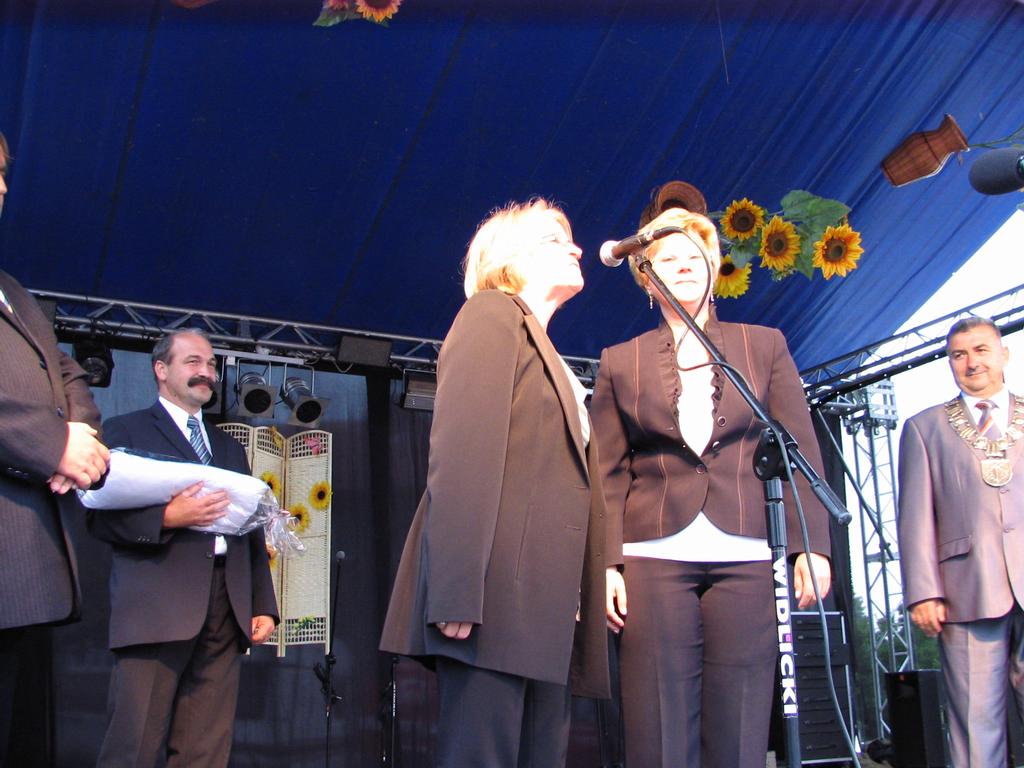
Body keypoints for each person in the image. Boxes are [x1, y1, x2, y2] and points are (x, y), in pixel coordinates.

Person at [591, 203, 833, 768]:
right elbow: (606, 470)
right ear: (645, 278)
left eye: (694, 256)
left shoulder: (763, 345)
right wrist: (604, 564)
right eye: (666, 258)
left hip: (747, 548)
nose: (682, 265)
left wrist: (811, 546)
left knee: (741, 716)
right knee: (655, 719)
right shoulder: (619, 361)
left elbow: (798, 449)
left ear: (713, 269)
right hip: (652, 551)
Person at [380, 199, 610, 767]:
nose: (576, 247)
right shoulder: (491, 314)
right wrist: (456, 588)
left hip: (547, 608)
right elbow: (462, 454)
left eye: (571, 237)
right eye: (554, 238)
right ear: (508, 257)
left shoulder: (550, 354)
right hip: (495, 600)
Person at [87, 329, 278, 768]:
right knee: (133, 744)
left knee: (205, 749)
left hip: (226, 607)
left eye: (210, 365)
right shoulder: (125, 429)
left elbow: (250, 530)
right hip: (156, 606)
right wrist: (167, 518)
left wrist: (263, 604)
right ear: (161, 369)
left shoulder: (229, 446)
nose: (206, 372)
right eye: (193, 362)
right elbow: (97, 516)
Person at [0, 130, 110, 762]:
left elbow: (67, 371)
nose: (2, 187)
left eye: (3, 173)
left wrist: (79, 436)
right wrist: (51, 446)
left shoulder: (13, 290)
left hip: (26, 567)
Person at [898, 316, 1024, 767]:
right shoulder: (924, 427)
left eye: (981, 350)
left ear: (1004, 354)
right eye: (959, 355)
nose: (972, 363)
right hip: (964, 590)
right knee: (975, 724)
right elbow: (915, 517)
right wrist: (923, 592)